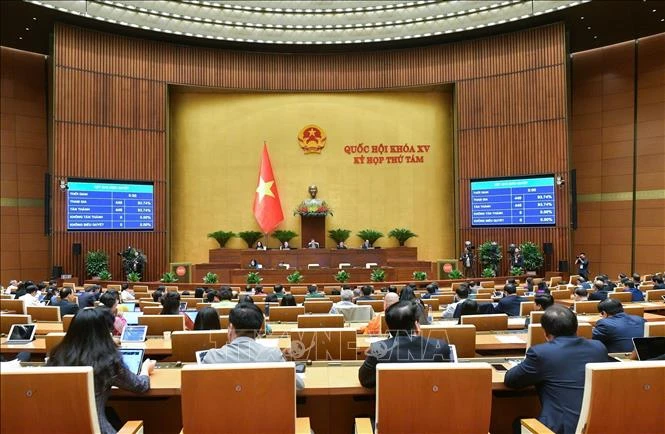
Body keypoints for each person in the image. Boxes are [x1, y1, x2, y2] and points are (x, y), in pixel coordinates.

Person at [504, 305, 610, 434]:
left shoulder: (541, 353)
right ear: (576, 328)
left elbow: (511, 381)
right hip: (598, 426)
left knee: (517, 422)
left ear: (545, 333)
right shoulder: (598, 347)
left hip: (559, 429)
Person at [47, 308, 155, 434]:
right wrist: (145, 369)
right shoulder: (106, 361)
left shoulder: (56, 357)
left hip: (57, 428)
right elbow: (140, 386)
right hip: (98, 430)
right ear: (104, 332)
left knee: (111, 413)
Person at [202, 303, 303, 390]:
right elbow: (299, 385)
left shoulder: (211, 357)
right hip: (265, 411)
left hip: (223, 412)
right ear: (258, 331)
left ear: (231, 328)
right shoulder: (274, 355)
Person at [358, 301, 451, 388]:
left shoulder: (378, 349)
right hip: (432, 403)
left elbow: (365, 381)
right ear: (416, 325)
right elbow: (446, 380)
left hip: (391, 404)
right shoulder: (441, 347)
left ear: (389, 328)